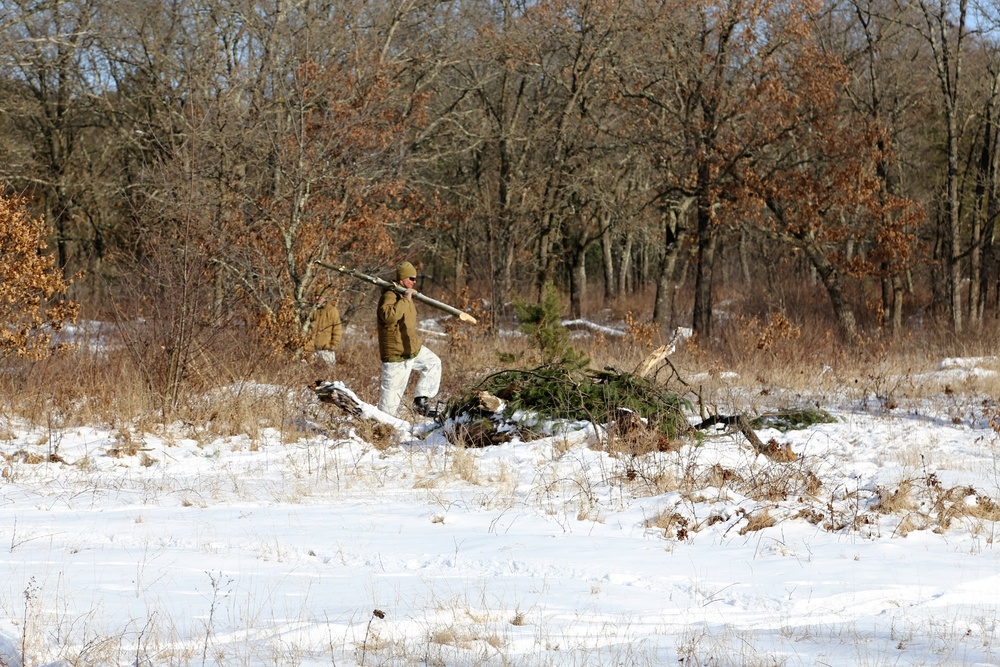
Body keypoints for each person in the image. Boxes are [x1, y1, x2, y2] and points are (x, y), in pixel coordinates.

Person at [376, 261, 441, 417]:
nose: (414, 282)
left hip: (412, 349)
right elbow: (388, 317)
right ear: (402, 279)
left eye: (416, 279)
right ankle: (379, 431)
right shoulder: (390, 295)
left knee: (433, 363)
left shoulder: (405, 294)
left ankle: (421, 402)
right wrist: (405, 299)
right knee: (388, 406)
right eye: (411, 278)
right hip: (396, 355)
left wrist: (406, 297)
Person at [305, 294, 343, 365]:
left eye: (319, 296)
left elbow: (337, 330)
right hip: (312, 350)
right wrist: (307, 347)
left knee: (328, 372)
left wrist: (333, 345)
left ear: (324, 297)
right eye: (315, 296)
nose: (317, 298)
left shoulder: (332, 311)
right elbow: (306, 330)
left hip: (327, 350)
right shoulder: (312, 310)